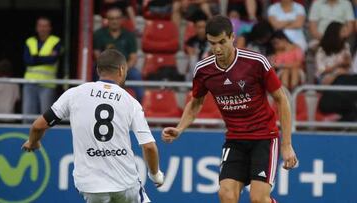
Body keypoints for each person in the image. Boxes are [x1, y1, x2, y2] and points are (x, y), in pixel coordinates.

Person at [162, 15, 298, 203]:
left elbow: (282, 99)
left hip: (264, 138)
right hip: (235, 139)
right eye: (212, 43)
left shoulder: (256, 62)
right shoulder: (203, 70)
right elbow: (195, 103)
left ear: (232, 37)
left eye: (222, 42)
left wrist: (287, 144)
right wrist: (179, 128)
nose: (217, 48)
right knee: (226, 195)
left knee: (258, 199)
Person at [22, 49, 164, 203]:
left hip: (90, 187)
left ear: (98, 70)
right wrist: (155, 175)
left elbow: (38, 126)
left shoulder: (74, 94)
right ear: (122, 70)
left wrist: (33, 141)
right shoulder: (130, 102)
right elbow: (149, 147)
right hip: (125, 184)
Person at [93, 7, 144, 103]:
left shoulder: (129, 35)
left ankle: (140, 108)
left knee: (136, 74)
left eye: (117, 18)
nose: (114, 21)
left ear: (122, 19)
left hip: (124, 69)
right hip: (105, 69)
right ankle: (96, 104)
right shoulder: (99, 34)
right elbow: (97, 56)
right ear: (107, 20)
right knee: (94, 72)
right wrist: (109, 70)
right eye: (111, 19)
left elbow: (133, 58)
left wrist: (123, 70)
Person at [22, 17, 61, 123]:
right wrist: (45, 58)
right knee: (28, 116)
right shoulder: (30, 41)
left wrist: (35, 57)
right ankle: (28, 139)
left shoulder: (55, 41)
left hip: (47, 84)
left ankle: (46, 139)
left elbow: (52, 60)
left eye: (45, 26)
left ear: (50, 28)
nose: (42, 29)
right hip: (30, 83)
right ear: (36, 28)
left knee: (46, 117)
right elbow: (27, 60)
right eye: (40, 26)